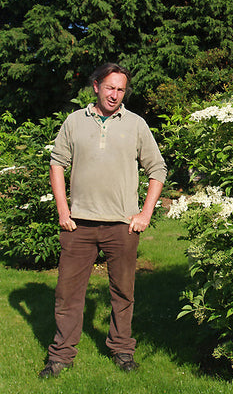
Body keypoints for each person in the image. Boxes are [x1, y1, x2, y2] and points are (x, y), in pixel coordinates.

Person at [39, 63, 167, 378]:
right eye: (109, 87)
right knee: (68, 294)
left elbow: (158, 170)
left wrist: (145, 213)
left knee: (123, 293)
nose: (114, 94)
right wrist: (62, 210)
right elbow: (57, 164)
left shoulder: (136, 124)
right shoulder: (74, 122)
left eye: (120, 89)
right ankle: (60, 356)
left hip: (122, 227)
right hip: (78, 226)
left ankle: (122, 350)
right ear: (96, 86)